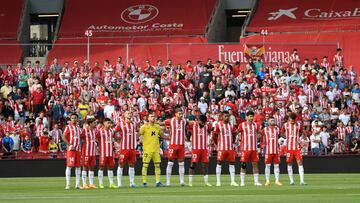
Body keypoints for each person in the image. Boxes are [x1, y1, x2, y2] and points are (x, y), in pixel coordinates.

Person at [212, 111, 238, 186]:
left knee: (232, 163)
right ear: (222, 117)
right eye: (225, 116)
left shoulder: (231, 125)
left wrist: (232, 142)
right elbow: (214, 135)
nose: (227, 118)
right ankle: (218, 181)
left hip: (230, 148)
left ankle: (232, 181)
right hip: (221, 148)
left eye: (228, 116)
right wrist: (218, 144)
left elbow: (234, 134)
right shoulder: (218, 125)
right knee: (219, 163)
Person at [163, 108, 188, 186]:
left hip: (181, 145)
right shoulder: (171, 120)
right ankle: (168, 182)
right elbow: (161, 123)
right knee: (170, 162)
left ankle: (182, 181)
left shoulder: (184, 121)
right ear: (176, 114)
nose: (181, 115)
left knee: (181, 163)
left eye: (182, 114)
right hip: (173, 145)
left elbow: (190, 123)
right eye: (180, 114)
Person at [281, 113, 306, 185]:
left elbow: (304, 133)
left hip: (297, 147)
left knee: (300, 162)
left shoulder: (298, 125)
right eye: (292, 120)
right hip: (288, 147)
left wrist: (302, 140)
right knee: (289, 163)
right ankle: (291, 181)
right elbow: (281, 133)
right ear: (289, 119)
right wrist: (286, 138)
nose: (293, 122)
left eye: (294, 120)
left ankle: (302, 181)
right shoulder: (285, 125)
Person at [139, 111, 164, 187]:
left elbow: (161, 135)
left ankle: (158, 181)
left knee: (157, 165)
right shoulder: (144, 127)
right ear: (148, 118)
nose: (153, 118)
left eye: (154, 117)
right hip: (147, 149)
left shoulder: (158, 127)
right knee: (145, 165)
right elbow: (138, 134)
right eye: (151, 117)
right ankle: (144, 182)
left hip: (156, 149)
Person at [238, 110, 262, 186]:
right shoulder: (242, 125)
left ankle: (256, 182)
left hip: (254, 149)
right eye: (250, 116)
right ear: (247, 117)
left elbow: (259, 134)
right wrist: (239, 140)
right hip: (245, 149)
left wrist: (258, 136)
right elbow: (238, 132)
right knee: (243, 165)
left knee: (255, 164)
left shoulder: (255, 125)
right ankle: (242, 182)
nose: (251, 118)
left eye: (252, 116)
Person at [114, 111, 138, 188]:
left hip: (132, 148)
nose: (130, 114)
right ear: (124, 115)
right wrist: (116, 139)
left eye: (130, 113)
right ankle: (119, 183)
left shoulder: (134, 124)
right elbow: (114, 131)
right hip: (124, 148)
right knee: (121, 164)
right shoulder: (120, 124)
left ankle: (132, 182)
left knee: (132, 165)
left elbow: (138, 131)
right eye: (128, 113)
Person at [188, 115, 212, 187]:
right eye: (202, 122)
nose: (203, 124)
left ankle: (206, 182)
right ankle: (190, 182)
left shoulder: (207, 126)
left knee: (205, 165)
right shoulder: (193, 125)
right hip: (196, 148)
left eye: (204, 122)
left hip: (204, 148)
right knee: (193, 164)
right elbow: (186, 123)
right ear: (198, 120)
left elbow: (211, 130)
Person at [62, 113, 82, 189]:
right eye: (72, 118)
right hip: (71, 150)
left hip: (78, 149)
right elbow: (63, 137)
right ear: (70, 119)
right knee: (69, 166)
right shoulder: (68, 127)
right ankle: (68, 184)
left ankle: (77, 184)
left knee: (78, 166)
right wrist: (70, 144)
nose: (74, 119)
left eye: (75, 118)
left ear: (77, 119)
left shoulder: (78, 128)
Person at [261, 116, 282, 186]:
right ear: (268, 122)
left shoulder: (277, 129)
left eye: (273, 120)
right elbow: (261, 138)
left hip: (276, 151)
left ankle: (277, 180)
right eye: (271, 120)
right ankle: (267, 181)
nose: (273, 121)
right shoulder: (265, 129)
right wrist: (262, 145)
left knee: (276, 166)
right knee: (267, 166)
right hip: (268, 151)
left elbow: (280, 137)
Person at [96, 118, 117, 189]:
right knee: (101, 167)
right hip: (103, 152)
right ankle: (100, 183)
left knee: (110, 168)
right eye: (108, 123)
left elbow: (115, 139)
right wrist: (97, 147)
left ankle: (111, 183)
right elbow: (95, 138)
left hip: (110, 153)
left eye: (110, 123)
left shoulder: (111, 131)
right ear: (104, 123)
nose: (109, 124)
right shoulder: (100, 131)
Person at [80, 118, 97, 189]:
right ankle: (84, 184)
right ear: (90, 124)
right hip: (86, 152)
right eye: (94, 123)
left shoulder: (94, 131)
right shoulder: (85, 130)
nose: (95, 124)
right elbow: (80, 137)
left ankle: (91, 184)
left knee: (92, 167)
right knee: (85, 167)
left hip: (93, 152)